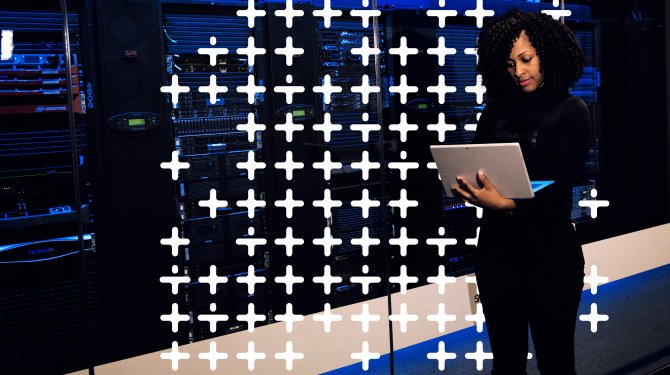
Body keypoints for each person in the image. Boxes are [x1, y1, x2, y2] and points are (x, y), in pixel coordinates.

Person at [450, 9, 591, 375]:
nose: (519, 71)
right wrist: (470, 187)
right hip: (497, 253)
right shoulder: (494, 112)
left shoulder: (572, 110)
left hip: (550, 254)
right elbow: (478, 164)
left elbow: (561, 179)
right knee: (507, 363)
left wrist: (510, 202)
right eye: (510, 63)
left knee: (556, 361)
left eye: (526, 59)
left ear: (549, 53)